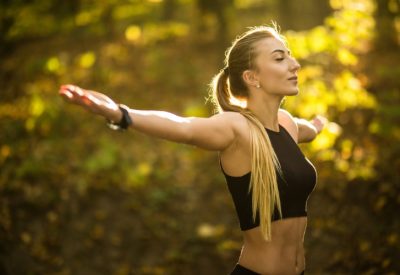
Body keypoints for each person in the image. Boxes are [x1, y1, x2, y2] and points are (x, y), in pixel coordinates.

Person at [59, 25, 325, 275]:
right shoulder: (236, 127)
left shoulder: (287, 124)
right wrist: (121, 114)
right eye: (280, 58)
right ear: (251, 77)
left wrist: (317, 125)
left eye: (290, 56)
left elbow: (308, 131)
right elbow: (184, 127)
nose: (295, 64)